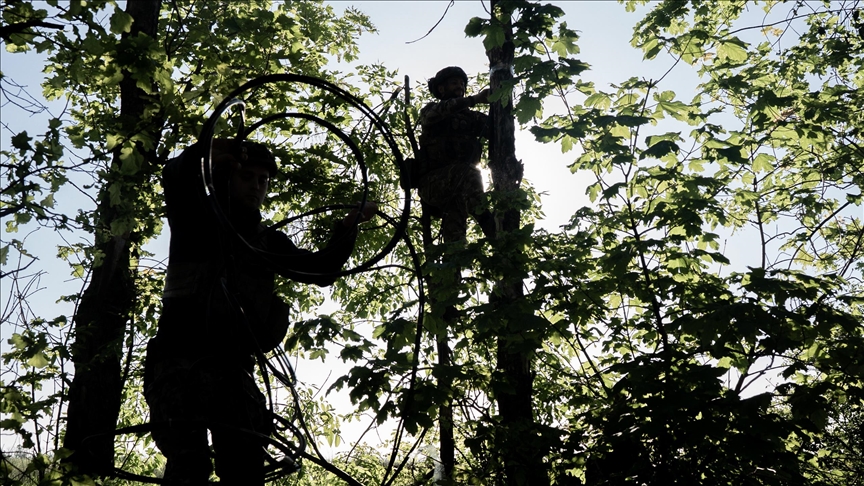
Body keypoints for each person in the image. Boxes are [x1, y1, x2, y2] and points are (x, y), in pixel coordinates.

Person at [143, 139, 375, 485]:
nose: (256, 186)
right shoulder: (195, 216)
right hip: (178, 365)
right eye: (247, 177)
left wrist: (348, 226)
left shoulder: (266, 241)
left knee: (246, 466)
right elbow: (175, 177)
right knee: (188, 466)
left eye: (263, 181)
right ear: (227, 177)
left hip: (233, 370)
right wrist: (205, 152)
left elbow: (320, 270)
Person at [417, 66, 496, 243]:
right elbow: (438, 113)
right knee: (468, 173)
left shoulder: (471, 118)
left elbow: (495, 128)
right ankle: (490, 225)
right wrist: (475, 99)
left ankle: (454, 265)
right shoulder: (431, 110)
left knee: (454, 240)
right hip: (433, 184)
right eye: (454, 83)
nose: (459, 86)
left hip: (459, 188)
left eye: (462, 83)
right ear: (441, 89)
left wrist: (498, 101)